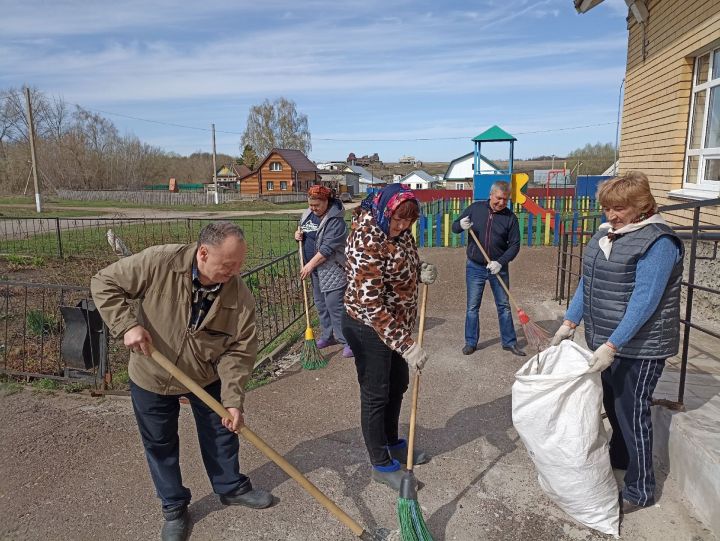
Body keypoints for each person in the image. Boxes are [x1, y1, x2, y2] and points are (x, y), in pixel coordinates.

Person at [91, 221, 273, 541]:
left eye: (239, 264)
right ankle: (174, 506)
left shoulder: (238, 294)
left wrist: (232, 400)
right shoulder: (160, 262)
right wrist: (128, 325)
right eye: (228, 264)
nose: (235, 272)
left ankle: (230, 487)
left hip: (206, 375)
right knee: (160, 443)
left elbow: (240, 351)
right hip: (152, 374)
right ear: (203, 253)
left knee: (221, 434)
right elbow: (104, 282)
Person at [550, 172, 683, 516]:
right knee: (612, 404)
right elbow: (586, 282)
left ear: (641, 206)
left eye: (619, 208)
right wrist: (569, 321)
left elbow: (645, 301)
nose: (611, 215)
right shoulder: (607, 235)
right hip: (604, 341)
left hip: (640, 347)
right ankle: (618, 458)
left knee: (632, 412)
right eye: (607, 208)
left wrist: (613, 345)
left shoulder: (658, 242)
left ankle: (641, 489)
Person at [342, 184, 438, 491]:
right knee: (376, 393)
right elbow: (370, 304)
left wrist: (419, 270)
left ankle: (392, 442)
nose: (402, 226)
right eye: (397, 220)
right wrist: (407, 345)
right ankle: (380, 464)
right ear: (385, 211)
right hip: (368, 326)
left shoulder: (399, 231)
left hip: (395, 326)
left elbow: (403, 260)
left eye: (408, 221)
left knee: (398, 384)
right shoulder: (365, 239)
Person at [452, 181, 525, 357]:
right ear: (491, 195)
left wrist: (500, 262)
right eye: (499, 198)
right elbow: (455, 227)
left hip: (498, 268)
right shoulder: (475, 209)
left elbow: (515, 245)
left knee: (504, 306)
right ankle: (470, 342)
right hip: (475, 266)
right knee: (472, 307)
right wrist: (460, 225)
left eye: (505, 200)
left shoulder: (510, 218)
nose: (501, 203)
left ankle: (509, 342)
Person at [294, 185, 352, 358]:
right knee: (321, 304)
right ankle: (328, 336)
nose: (313, 208)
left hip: (332, 268)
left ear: (327, 202)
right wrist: (298, 235)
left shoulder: (336, 222)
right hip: (315, 269)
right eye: (311, 205)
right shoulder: (308, 214)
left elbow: (327, 249)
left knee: (335, 306)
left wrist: (310, 265)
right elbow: (307, 232)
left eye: (317, 205)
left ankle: (348, 342)